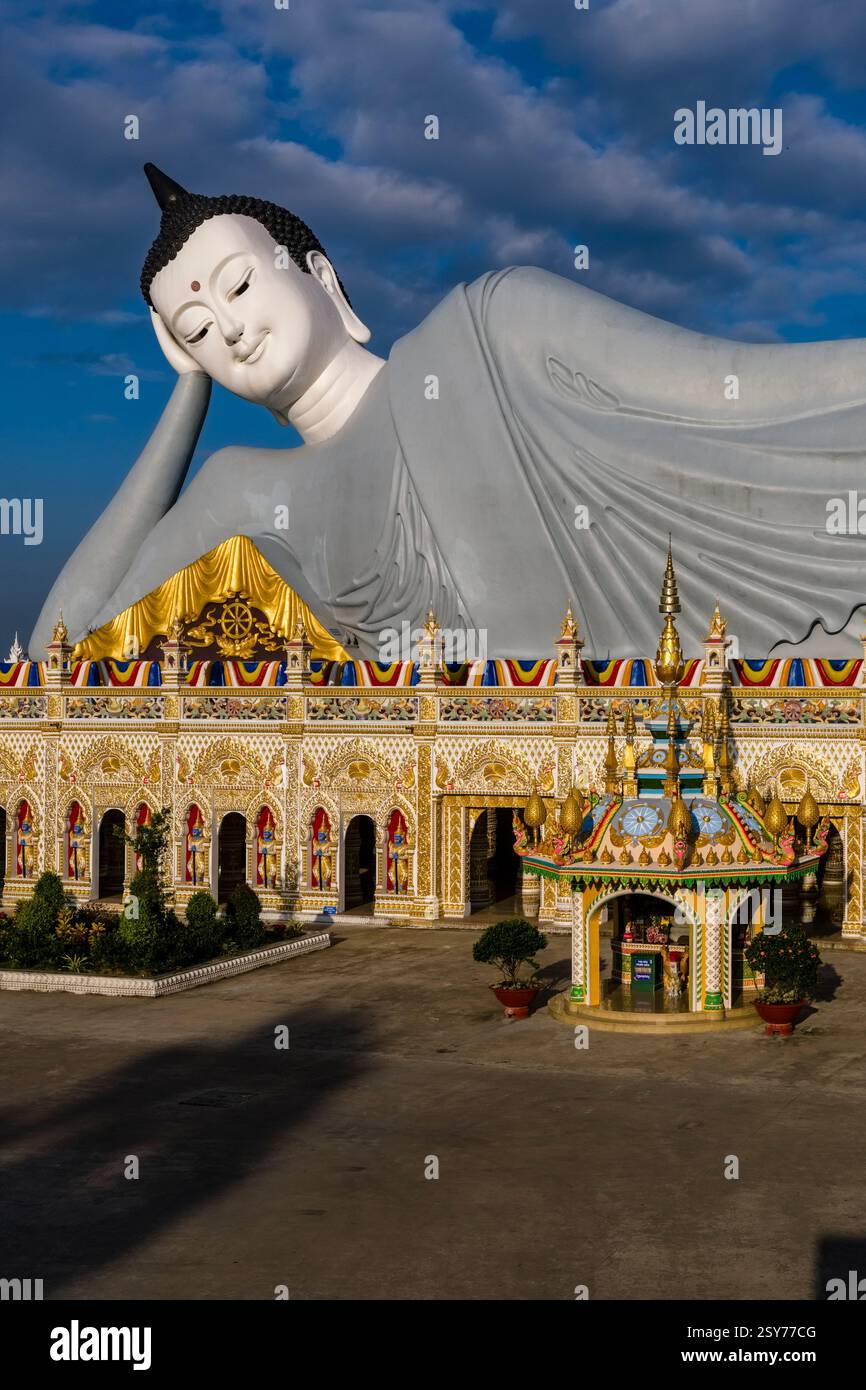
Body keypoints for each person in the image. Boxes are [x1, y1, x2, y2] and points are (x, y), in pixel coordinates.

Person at [30, 164, 866, 660]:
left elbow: (752, 394)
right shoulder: (243, 490)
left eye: (241, 285)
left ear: (319, 277)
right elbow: (54, 657)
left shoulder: (495, 329)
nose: (233, 328)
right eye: (198, 330)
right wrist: (185, 392)